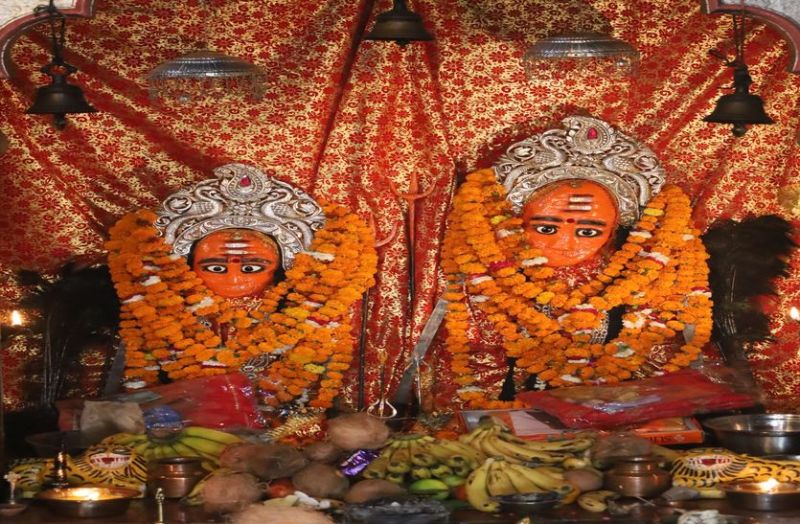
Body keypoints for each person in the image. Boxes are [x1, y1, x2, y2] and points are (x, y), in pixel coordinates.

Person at [441, 116, 713, 409]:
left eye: (587, 232)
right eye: (546, 228)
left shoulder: (648, 278)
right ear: (515, 223)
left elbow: (659, 364)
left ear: (614, 232)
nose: (565, 244)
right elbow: (474, 361)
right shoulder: (488, 277)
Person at [106, 163, 378, 413]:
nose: (234, 279)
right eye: (216, 268)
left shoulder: (306, 318)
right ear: (187, 268)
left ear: (284, 268)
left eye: (251, 268)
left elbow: (312, 381)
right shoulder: (163, 318)